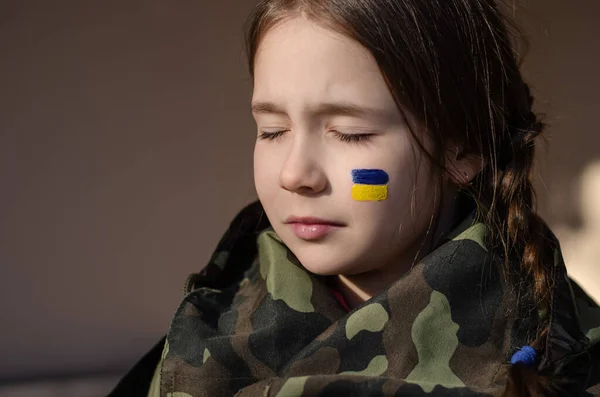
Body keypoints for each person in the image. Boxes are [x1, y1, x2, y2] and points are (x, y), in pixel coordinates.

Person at [109, 0, 600, 396]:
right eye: (272, 130)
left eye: (350, 132)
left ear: (463, 148)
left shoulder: (559, 360)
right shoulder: (203, 333)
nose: (295, 174)